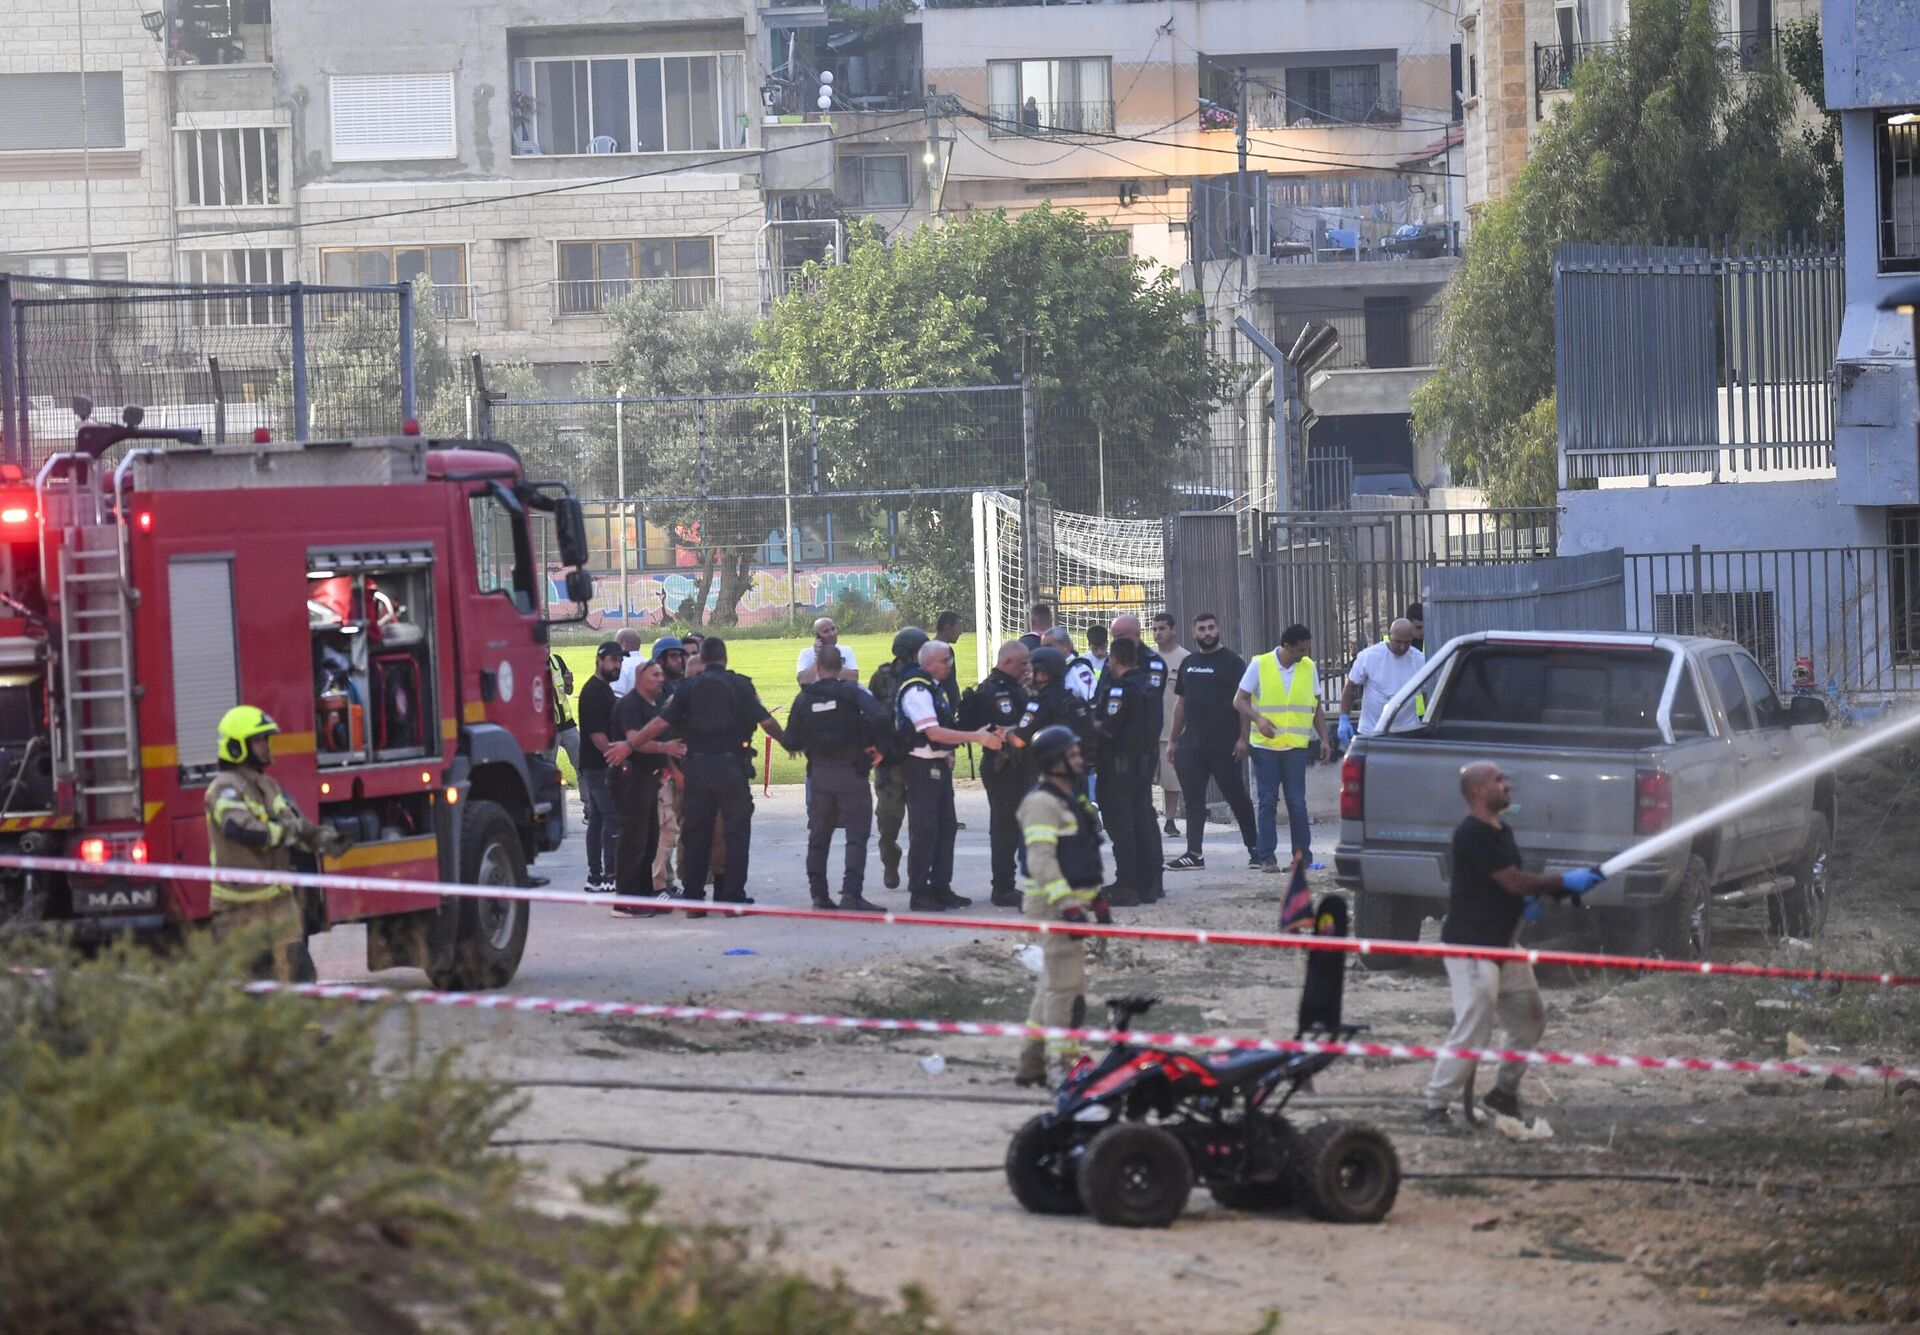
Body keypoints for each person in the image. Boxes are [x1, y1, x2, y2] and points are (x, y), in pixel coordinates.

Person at [1421, 762, 1605, 1127]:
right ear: (1477, 791)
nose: (1507, 785)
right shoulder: (1471, 834)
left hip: (1504, 947)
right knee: (1473, 1027)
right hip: (1472, 949)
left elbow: (1506, 886)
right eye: (1499, 781)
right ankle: (1434, 1106)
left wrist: (1528, 903)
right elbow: (1514, 882)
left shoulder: (1501, 831)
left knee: (1529, 1021)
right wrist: (1562, 882)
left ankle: (1503, 1094)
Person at [626, 637, 787, 907]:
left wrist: (631, 744)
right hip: (731, 768)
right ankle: (732, 897)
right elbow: (766, 721)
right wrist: (789, 741)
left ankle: (693, 898)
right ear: (724, 657)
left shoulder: (688, 689)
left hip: (698, 769)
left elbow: (660, 723)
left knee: (695, 834)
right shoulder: (740, 685)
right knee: (736, 833)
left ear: (704, 656)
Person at [204, 705, 347, 981]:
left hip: (279, 907)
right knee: (251, 990)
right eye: (258, 740)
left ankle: (307, 1026)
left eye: (265, 739)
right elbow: (240, 828)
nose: (266, 747)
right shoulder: (224, 788)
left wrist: (326, 840)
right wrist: (284, 833)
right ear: (237, 747)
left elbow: (296, 824)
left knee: (301, 977)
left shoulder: (268, 785)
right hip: (239, 914)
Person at [1013, 725, 1111, 1087]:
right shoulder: (1041, 804)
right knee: (1066, 992)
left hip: (1071, 906)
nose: (1079, 760)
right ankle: (1063, 1066)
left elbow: (1080, 857)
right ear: (1053, 762)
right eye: (1071, 755)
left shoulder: (1071, 799)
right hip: (1052, 907)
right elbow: (1042, 862)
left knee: (1052, 987)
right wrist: (1068, 904)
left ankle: (1032, 1064)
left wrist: (1096, 898)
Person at [895, 639, 1003, 911]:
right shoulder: (917, 689)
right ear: (928, 662)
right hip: (920, 767)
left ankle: (941, 887)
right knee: (925, 830)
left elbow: (944, 728)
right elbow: (932, 732)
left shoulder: (934, 688)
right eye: (945, 660)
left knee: (945, 829)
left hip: (938, 765)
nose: (949, 665)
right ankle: (919, 892)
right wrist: (976, 738)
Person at [785, 643, 890, 911]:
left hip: (819, 775)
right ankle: (851, 894)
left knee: (819, 837)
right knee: (856, 836)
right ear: (841, 666)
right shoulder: (851, 693)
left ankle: (819, 895)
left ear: (817, 667)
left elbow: (791, 740)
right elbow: (880, 716)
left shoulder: (805, 698)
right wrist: (878, 747)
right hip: (852, 774)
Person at [1233, 623, 1332, 874]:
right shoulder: (1260, 664)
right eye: (1301, 649)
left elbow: (1316, 707)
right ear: (1287, 646)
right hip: (1265, 746)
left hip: (1295, 747)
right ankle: (1267, 857)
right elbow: (1239, 700)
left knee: (1297, 803)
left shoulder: (1308, 668)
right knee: (1267, 802)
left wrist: (1324, 739)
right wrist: (1259, 719)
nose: (1305, 654)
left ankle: (1302, 858)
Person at [1164, 612, 1259, 871]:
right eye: (1201, 629)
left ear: (1218, 629)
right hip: (1191, 746)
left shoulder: (1233, 663)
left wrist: (1243, 739)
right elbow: (1180, 704)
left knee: (1236, 797)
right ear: (1194, 633)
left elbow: (1244, 704)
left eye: (1210, 628)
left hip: (1225, 745)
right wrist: (1173, 740)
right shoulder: (1189, 663)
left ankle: (1256, 850)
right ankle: (1194, 854)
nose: (1207, 633)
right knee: (1193, 801)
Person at [605, 658, 686, 917]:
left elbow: (663, 740)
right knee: (633, 841)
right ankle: (624, 901)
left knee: (650, 840)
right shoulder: (629, 705)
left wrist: (671, 769)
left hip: (650, 780)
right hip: (631, 781)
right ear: (640, 678)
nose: (661, 679)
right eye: (654, 675)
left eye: (661, 675)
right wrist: (664, 748)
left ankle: (642, 895)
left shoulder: (654, 705)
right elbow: (634, 742)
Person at [1099, 615, 1167, 902]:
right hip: (1131, 756)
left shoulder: (1150, 665)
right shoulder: (1120, 667)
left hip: (1131, 756)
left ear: (1136, 634)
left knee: (1134, 822)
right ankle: (1143, 881)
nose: (1116, 641)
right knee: (1139, 819)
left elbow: (1129, 710)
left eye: (1120, 635)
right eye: (1114, 636)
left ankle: (1142, 882)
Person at [972, 640, 1032, 907]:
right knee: (1004, 829)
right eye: (1023, 664)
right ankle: (1003, 887)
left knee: (1016, 828)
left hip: (1019, 766)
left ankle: (1011, 884)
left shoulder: (1014, 687)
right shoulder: (995, 691)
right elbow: (1012, 731)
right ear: (1007, 663)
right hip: (1003, 766)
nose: (1027, 668)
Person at [868, 626, 928, 891]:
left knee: (922, 822)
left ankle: (919, 872)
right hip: (889, 763)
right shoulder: (881, 678)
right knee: (888, 820)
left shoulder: (925, 678)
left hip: (917, 759)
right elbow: (869, 714)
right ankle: (890, 861)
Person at [576, 641, 624, 894]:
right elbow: (597, 735)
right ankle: (609, 875)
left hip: (596, 765)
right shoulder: (594, 691)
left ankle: (595, 876)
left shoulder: (604, 689)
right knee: (611, 818)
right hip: (598, 766)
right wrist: (617, 758)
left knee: (597, 819)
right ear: (600, 660)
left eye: (620, 661)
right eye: (613, 660)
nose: (617, 666)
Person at [1339, 618, 1425, 749]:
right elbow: (1351, 689)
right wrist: (1344, 718)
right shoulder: (1369, 657)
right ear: (1389, 635)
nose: (1402, 647)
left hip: (1407, 732)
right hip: (1372, 732)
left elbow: (1430, 692)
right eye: (1398, 641)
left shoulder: (1418, 660)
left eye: (1407, 642)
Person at [649, 636, 689, 899]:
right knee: (664, 830)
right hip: (666, 769)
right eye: (673, 656)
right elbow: (659, 736)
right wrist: (672, 769)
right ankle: (659, 884)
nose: (679, 661)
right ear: (661, 660)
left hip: (685, 764)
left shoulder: (682, 687)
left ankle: (670, 880)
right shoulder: (660, 692)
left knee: (675, 830)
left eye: (680, 656)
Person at [1150, 612, 1188, 837]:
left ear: (1173, 630)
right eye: (1154, 629)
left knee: (1171, 780)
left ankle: (1170, 819)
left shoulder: (1184, 658)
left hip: (1170, 729)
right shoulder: (1147, 657)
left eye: (1162, 628)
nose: (1157, 633)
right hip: (1148, 729)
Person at [797, 616, 860, 686]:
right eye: (825, 631)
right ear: (817, 636)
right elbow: (803, 681)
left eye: (833, 629)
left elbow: (854, 678)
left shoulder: (847, 650)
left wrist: (829, 662)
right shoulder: (806, 654)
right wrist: (819, 658)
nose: (832, 634)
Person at [1042, 627, 1097, 702]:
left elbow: (1093, 700)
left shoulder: (1078, 670)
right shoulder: (1052, 670)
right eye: (1042, 648)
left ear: (1065, 646)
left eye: (1049, 647)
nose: (1044, 651)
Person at [549, 650, 581, 778]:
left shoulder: (556, 661)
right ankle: (552, 797)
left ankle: (587, 798)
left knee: (581, 765)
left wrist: (569, 683)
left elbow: (569, 691)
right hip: (547, 728)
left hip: (567, 724)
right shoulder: (530, 666)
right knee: (549, 770)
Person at [611, 627, 645, 696]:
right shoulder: (650, 663)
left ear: (624, 645)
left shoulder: (621, 665)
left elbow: (617, 697)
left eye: (616, 644)